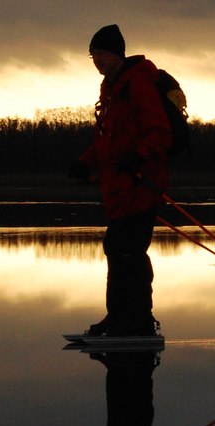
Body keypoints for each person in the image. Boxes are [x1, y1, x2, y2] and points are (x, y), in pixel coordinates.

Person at [68, 24, 172, 336]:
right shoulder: (111, 90)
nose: (97, 60)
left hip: (141, 186)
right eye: (93, 55)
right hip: (118, 191)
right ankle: (118, 318)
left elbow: (159, 132)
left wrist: (138, 157)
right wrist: (85, 163)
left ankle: (139, 321)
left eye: (101, 53)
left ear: (116, 54)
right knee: (116, 248)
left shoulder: (138, 83)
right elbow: (108, 142)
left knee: (129, 252)